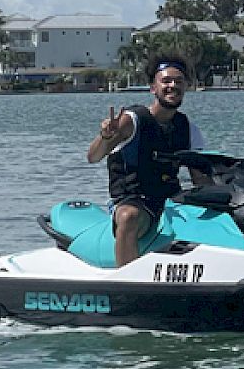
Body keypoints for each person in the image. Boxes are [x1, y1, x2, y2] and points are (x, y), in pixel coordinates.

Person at [86, 53, 210, 266]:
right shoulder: (132, 121)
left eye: (179, 81)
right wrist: (105, 137)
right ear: (153, 88)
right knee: (129, 217)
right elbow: (93, 157)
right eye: (166, 81)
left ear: (186, 87)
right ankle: (128, 277)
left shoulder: (188, 129)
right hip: (134, 200)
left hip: (171, 200)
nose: (173, 86)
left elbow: (201, 180)